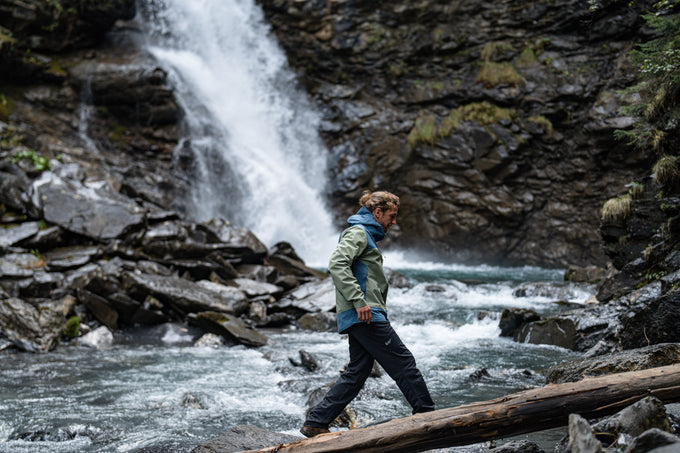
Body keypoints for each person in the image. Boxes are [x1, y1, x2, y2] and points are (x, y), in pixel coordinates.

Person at [300, 190, 435, 438]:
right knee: (403, 362)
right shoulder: (358, 233)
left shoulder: (365, 235)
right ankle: (429, 416)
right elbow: (337, 264)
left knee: (358, 371)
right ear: (377, 212)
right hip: (365, 313)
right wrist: (358, 301)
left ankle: (316, 422)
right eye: (391, 216)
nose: (394, 222)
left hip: (362, 313)